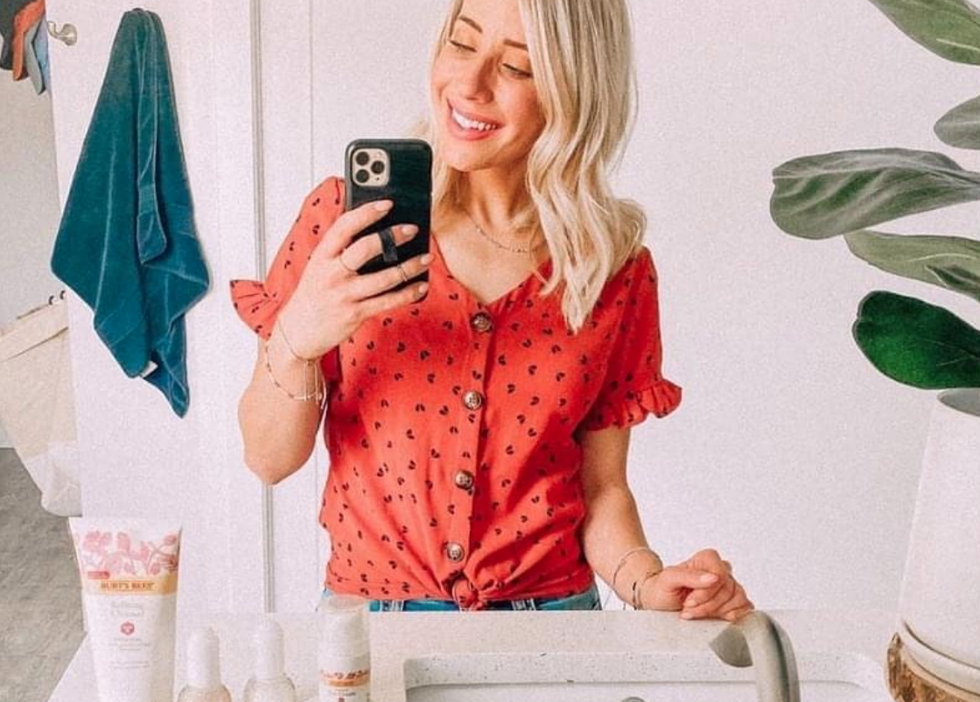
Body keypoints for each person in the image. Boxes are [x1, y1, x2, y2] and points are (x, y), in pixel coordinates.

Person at [232, 0, 754, 618]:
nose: (470, 85)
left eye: (517, 67)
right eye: (461, 43)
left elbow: (603, 488)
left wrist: (646, 583)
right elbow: (268, 460)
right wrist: (299, 334)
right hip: (372, 629)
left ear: (573, 93)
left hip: (554, 628)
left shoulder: (610, 269)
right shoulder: (344, 227)